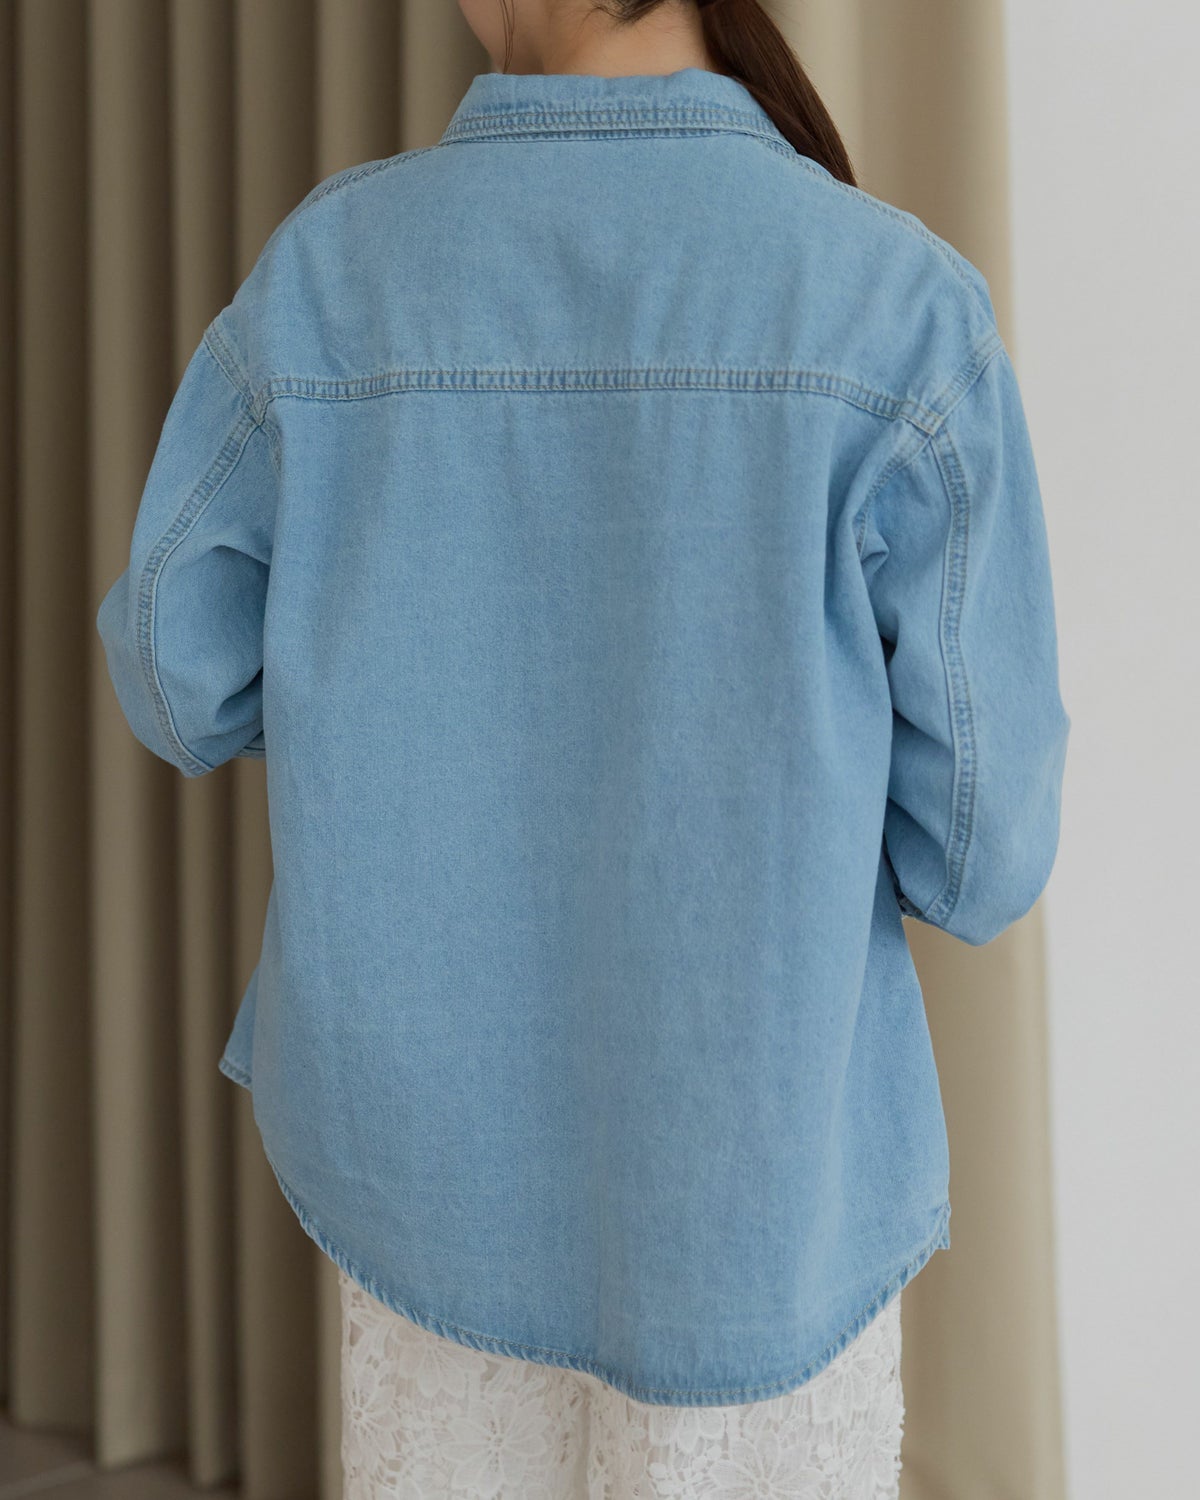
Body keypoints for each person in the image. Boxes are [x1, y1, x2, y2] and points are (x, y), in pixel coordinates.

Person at [94, 0, 1071, 1494]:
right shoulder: (894, 304)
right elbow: (983, 855)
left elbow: (177, 680)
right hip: (760, 1203)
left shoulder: (332, 279)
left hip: (423, 1183)